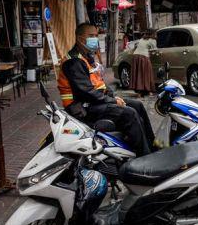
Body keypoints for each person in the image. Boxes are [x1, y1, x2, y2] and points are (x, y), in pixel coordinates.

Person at [58, 23, 156, 156]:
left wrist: (114, 97)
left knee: (137, 105)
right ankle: (144, 156)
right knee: (129, 113)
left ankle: (152, 146)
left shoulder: (86, 57)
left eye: (96, 36)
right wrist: (113, 101)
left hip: (92, 102)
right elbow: (86, 92)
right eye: (91, 36)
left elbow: (100, 84)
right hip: (81, 108)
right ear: (80, 38)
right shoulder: (74, 62)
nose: (95, 39)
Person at [131, 30, 156, 97]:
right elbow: (155, 50)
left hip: (135, 56)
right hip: (143, 57)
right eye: (155, 34)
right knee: (147, 74)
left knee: (138, 74)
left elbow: (135, 47)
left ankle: (139, 92)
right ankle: (149, 91)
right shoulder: (152, 41)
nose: (156, 36)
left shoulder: (140, 40)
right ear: (152, 35)